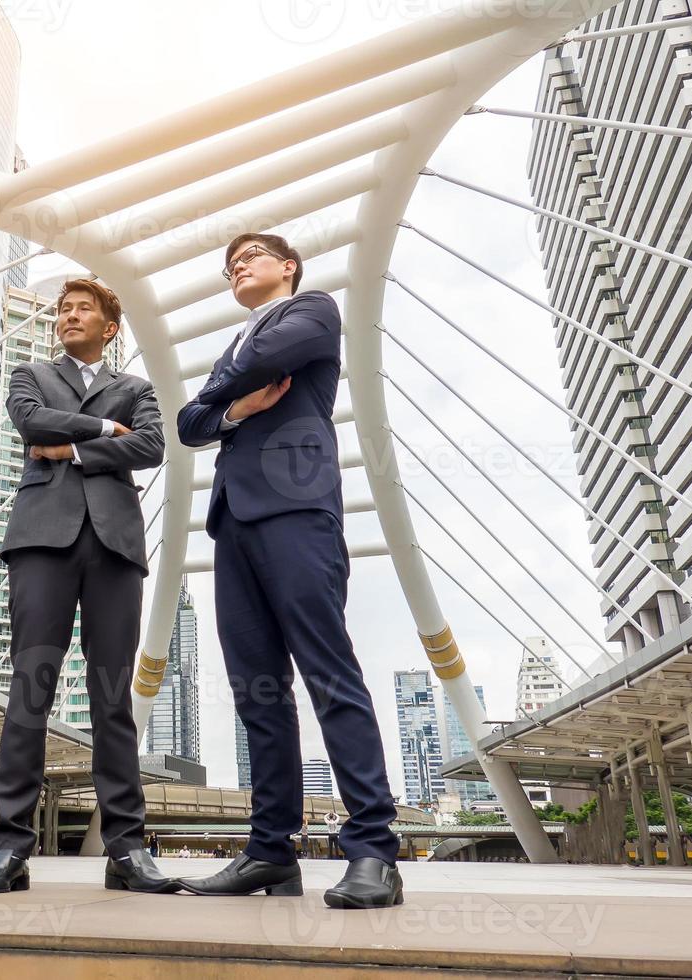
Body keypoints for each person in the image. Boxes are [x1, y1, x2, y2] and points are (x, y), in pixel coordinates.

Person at [175, 234, 404, 910]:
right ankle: (271, 852)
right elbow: (188, 424)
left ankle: (373, 853)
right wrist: (236, 408)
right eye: (228, 265)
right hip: (232, 522)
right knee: (258, 692)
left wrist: (221, 399)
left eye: (249, 257)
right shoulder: (237, 348)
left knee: (329, 672)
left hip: (297, 508)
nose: (236, 267)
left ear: (288, 266)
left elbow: (264, 364)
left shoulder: (313, 310)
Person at [0, 279, 178, 896]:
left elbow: (154, 443)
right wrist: (108, 432)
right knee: (30, 689)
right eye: (63, 308)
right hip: (40, 540)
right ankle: (8, 848)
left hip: (114, 546)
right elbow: (30, 423)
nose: (69, 315)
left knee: (113, 697)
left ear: (111, 327)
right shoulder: (30, 373)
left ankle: (127, 850)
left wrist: (76, 449)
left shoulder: (137, 388)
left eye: (83, 308)